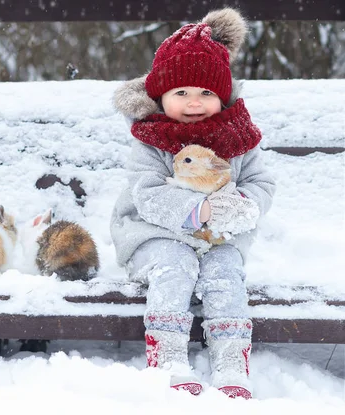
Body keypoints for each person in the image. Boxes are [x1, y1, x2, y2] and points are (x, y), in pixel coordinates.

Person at [110, 8, 276, 399]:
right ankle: (167, 354)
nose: (194, 103)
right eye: (181, 93)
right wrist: (196, 210)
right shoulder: (151, 139)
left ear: (222, 96)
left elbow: (261, 182)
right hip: (154, 235)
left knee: (225, 272)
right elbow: (147, 194)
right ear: (161, 95)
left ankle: (232, 357)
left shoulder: (238, 138)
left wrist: (244, 204)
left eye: (206, 93)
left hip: (220, 237)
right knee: (175, 263)